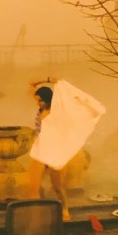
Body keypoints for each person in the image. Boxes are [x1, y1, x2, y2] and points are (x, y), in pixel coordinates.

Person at [28, 81, 69, 221]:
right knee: (35, 185)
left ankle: (64, 210)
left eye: (40, 101)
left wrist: (51, 79)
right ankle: (39, 212)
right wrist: (42, 81)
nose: (37, 103)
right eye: (37, 100)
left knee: (58, 186)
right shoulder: (41, 109)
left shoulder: (56, 111)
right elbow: (31, 84)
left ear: (47, 99)